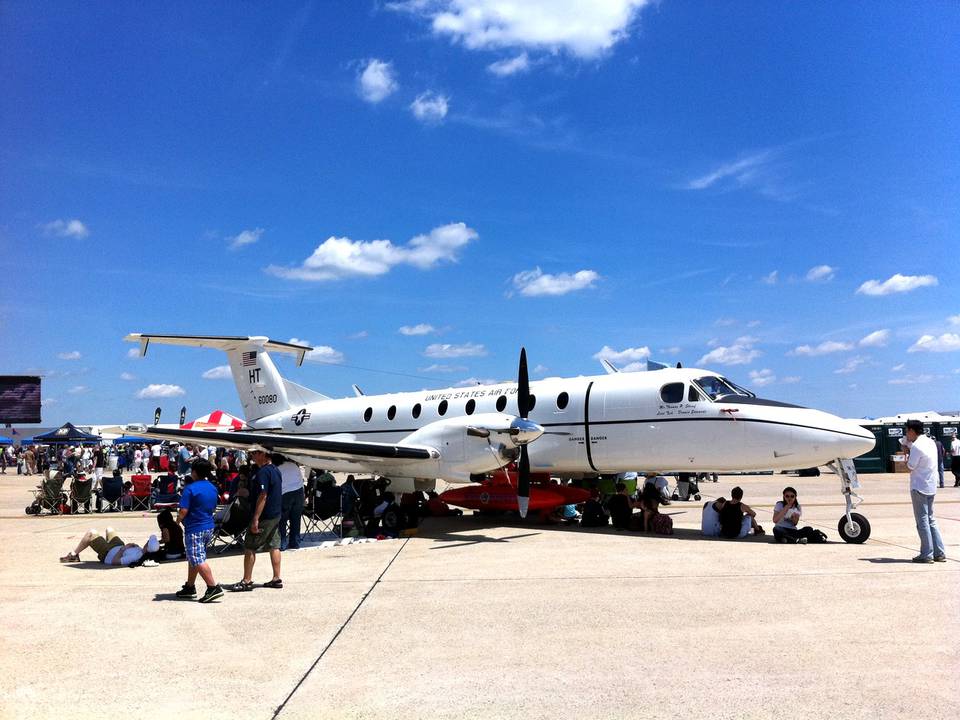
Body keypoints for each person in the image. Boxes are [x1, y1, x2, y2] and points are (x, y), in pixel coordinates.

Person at [228, 445, 283, 591]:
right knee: (274, 545)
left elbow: (263, 495)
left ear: (262, 454)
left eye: (254, 453)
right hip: (276, 514)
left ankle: (247, 580)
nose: (251, 456)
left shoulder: (263, 472)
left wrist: (255, 519)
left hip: (264, 515)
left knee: (250, 546)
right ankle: (276, 578)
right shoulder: (276, 470)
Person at [175, 459, 223, 602]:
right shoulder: (212, 487)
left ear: (194, 472)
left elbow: (183, 510)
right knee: (194, 558)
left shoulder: (190, 489)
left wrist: (177, 521)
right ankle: (190, 587)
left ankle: (213, 587)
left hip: (195, 528)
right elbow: (214, 506)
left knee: (197, 558)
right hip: (208, 526)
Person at [903, 420, 946, 562]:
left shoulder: (916, 446)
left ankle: (926, 553)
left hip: (919, 486)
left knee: (922, 521)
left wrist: (906, 455)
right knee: (931, 519)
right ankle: (939, 552)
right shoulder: (930, 442)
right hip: (931, 485)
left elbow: (910, 466)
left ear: (912, 431)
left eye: (907, 431)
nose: (906, 434)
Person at [59, 528, 157, 566]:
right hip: (117, 546)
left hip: (108, 553)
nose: (146, 541)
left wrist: (124, 548)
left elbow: (115, 561)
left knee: (91, 533)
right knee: (109, 529)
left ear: (148, 546)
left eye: (148, 542)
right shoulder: (142, 551)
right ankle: (100, 542)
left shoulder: (136, 557)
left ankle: (74, 555)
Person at [275, 453, 305, 551]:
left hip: (285, 494)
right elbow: (301, 479)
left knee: (282, 521)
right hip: (298, 492)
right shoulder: (293, 465)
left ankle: (282, 543)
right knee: (296, 519)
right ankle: (295, 542)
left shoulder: (276, 468)